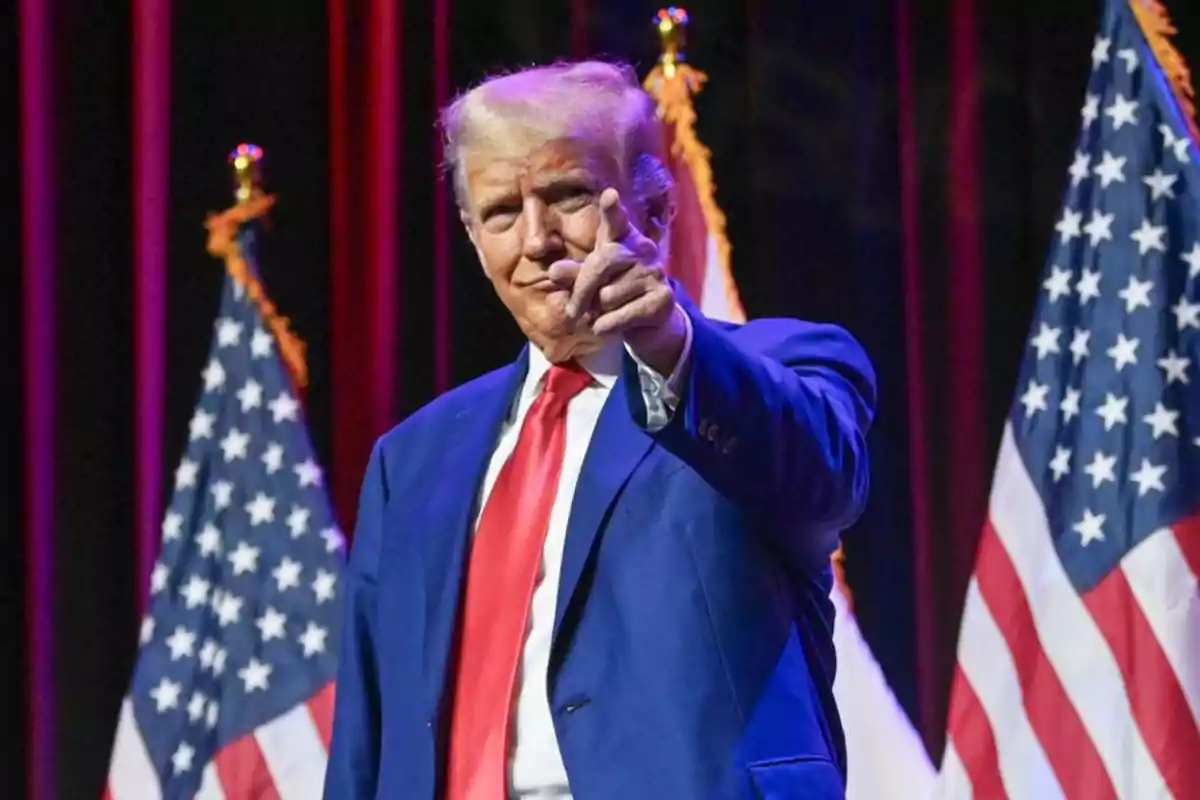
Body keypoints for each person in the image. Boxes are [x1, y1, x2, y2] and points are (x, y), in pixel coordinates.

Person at [324, 60, 876, 800]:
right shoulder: (413, 457)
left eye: (567, 195)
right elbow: (369, 725)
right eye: (499, 214)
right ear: (471, 234)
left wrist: (667, 346)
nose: (536, 240)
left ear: (654, 207)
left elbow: (823, 484)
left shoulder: (773, 368)